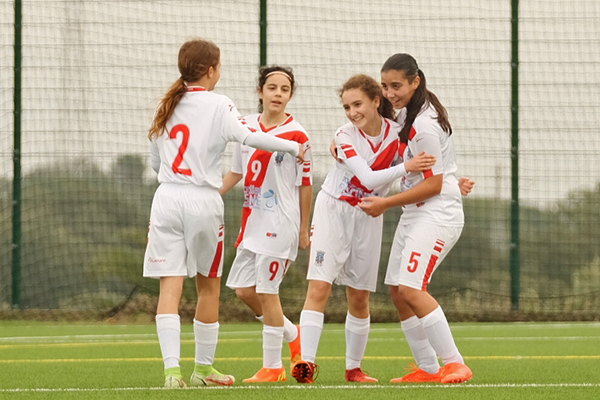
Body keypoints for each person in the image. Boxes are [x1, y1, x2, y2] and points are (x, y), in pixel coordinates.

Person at [143, 38, 305, 389]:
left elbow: (156, 162)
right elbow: (250, 138)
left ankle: (172, 374)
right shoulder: (219, 104)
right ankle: (203, 371)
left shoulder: (167, 105)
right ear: (212, 69)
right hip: (202, 200)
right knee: (208, 287)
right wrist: (294, 146)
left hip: (166, 198)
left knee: (169, 288)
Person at [291, 74, 437, 384]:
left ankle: (353, 369)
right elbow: (369, 178)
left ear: (375, 101)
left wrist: (453, 181)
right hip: (333, 210)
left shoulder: (400, 134)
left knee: (359, 297)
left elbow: (429, 163)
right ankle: (306, 363)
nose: (352, 112)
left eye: (357, 104)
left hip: (369, 215)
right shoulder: (344, 136)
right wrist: (405, 168)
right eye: (346, 107)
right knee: (319, 288)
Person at [359, 53, 473, 384]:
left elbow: (433, 184)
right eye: (385, 86)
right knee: (397, 290)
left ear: (415, 82)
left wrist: (385, 204)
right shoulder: (411, 115)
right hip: (418, 211)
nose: (390, 93)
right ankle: (428, 367)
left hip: (438, 212)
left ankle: (455, 363)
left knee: (411, 287)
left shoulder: (423, 123)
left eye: (396, 86)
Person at [220, 66, 311, 383]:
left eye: (284, 89)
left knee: (267, 291)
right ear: (260, 91)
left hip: (281, 224)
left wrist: (303, 229)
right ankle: (291, 332)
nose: (278, 94)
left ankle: (273, 368)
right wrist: (209, 194)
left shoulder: (298, 135)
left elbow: (305, 185)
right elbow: (235, 172)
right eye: (272, 87)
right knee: (245, 291)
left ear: (290, 95)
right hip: (252, 224)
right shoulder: (244, 127)